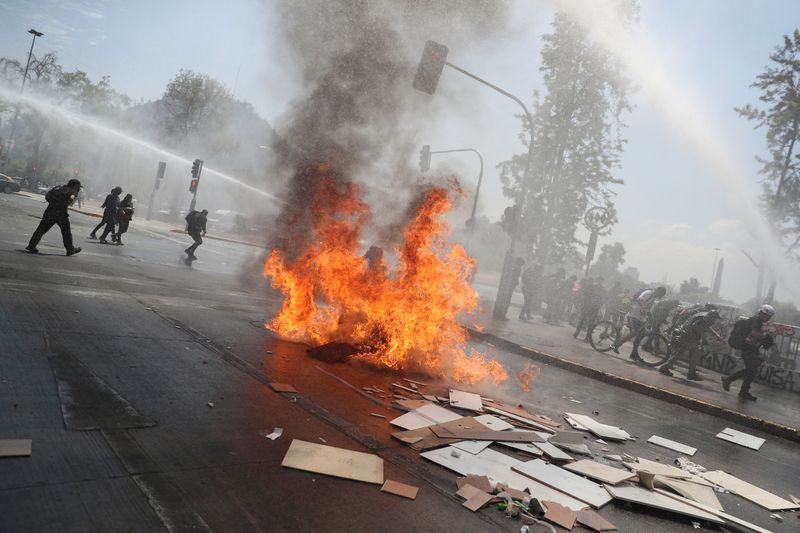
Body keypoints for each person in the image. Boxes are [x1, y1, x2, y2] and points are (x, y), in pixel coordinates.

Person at [722, 304, 776, 401]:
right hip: (748, 349)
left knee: (751, 370)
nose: (768, 318)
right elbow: (754, 333)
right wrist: (765, 337)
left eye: (769, 316)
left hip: (750, 348)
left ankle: (741, 389)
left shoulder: (756, 320)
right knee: (751, 370)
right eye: (767, 316)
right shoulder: (756, 321)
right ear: (761, 313)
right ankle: (732, 382)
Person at [659, 309, 722, 380]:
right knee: (694, 354)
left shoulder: (704, 316)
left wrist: (716, 334)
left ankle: (667, 367)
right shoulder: (705, 318)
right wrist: (701, 335)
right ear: (712, 316)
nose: (715, 320)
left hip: (688, 335)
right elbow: (694, 326)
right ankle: (690, 373)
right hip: (689, 337)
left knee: (682, 353)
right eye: (715, 318)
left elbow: (706, 326)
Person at [25, 179, 82, 256]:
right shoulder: (71, 191)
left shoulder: (58, 188)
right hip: (61, 214)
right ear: (75, 186)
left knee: (41, 229)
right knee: (66, 232)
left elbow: (47, 197)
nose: (79, 188)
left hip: (49, 212)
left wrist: (54, 202)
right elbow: (69, 201)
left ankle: (31, 245)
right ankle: (70, 249)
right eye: (78, 186)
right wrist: (71, 197)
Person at [612, 286, 667, 361]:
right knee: (635, 332)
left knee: (640, 334)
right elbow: (640, 299)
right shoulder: (648, 293)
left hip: (640, 318)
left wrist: (651, 318)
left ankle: (633, 353)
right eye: (661, 293)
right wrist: (644, 308)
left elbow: (647, 309)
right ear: (658, 291)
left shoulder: (653, 298)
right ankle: (617, 344)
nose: (660, 295)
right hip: (634, 315)